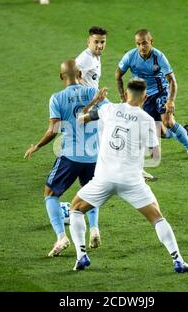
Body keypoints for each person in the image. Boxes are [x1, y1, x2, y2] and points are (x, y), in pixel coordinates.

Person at [68, 78, 188, 273]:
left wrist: (95, 100)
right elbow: (155, 155)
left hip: (104, 178)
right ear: (145, 97)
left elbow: (80, 118)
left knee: (76, 209)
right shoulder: (147, 120)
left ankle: (81, 256)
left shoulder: (108, 109)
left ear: (126, 94)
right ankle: (178, 260)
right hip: (132, 181)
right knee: (157, 218)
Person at [24, 59, 108, 257]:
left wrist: (37, 146)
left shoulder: (57, 98)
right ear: (80, 74)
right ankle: (94, 228)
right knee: (89, 193)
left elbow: (53, 129)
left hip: (70, 156)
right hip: (94, 156)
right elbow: (108, 113)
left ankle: (61, 236)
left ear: (61, 77)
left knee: (50, 193)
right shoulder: (91, 92)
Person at [115, 29, 188, 166]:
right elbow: (118, 75)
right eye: (138, 44)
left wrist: (171, 100)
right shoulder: (130, 57)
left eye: (144, 43)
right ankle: (184, 131)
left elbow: (172, 80)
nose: (141, 47)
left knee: (168, 122)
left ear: (151, 42)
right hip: (145, 97)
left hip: (161, 92)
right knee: (161, 132)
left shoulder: (159, 57)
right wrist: (122, 96)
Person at [73, 26, 108, 248]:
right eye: (96, 42)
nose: (100, 46)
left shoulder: (95, 58)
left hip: (92, 105)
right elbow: (71, 78)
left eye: (103, 42)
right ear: (88, 41)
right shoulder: (83, 60)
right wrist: (89, 101)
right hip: (85, 109)